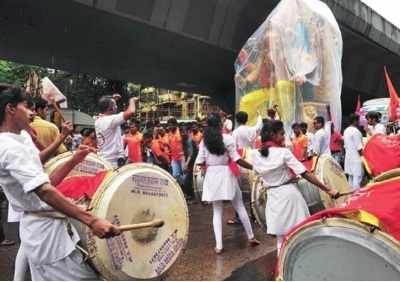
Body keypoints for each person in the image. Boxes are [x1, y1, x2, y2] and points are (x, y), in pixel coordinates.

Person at [0, 84, 120, 280]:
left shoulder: (20, 137)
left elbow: (45, 181)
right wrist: (92, 220)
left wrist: (74, 160)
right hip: (45, 236)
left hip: (51, 228)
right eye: (26, 107)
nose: (31, 113)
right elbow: (45, 191)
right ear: (10, 109)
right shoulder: (7, 147)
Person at [250, 120, 338, 254]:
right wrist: (328, 189)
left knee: (281, 239)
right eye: (281, 134)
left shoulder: (255, 155)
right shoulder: (283, 153)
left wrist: (286, 178)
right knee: (300, 233)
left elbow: (262, 174)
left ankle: (281, 269)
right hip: (290, 197)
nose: (284, 137)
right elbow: (305, 174)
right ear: (272, 135)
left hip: (273, 198)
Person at [195, 114, 260, 254]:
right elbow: (237, 159)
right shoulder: (228, 139)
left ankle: (219, 246)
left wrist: (210, 164)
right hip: (227, 174)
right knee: (240, 206)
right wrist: (253, 167)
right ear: (220, 125)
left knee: (217, 211)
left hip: (212, 176)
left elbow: (199, 162)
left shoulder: (204, 142)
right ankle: (251, 237)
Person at [95, 96, 137, 168]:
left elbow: (104, 104)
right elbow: (131, 111)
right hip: (111, 163)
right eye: (115, 105)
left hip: (103, 160)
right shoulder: (111, 120)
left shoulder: (99, 120)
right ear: (111, 108)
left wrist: (111, 99)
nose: (117, 107)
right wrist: (132, 100)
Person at [343, 114, 364, 190]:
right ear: (355, 121)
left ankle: (351, 197)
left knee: (351, 178)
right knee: (357, 178)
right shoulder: (355, 131)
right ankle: (357, 196)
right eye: (358, 121)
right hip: (356, 158)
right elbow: (359, 147)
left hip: (348, 157)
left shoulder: (346, 130)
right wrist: (364, 158)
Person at [168, 118, 185, 185]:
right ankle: (183, 187)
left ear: (175, 125)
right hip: (174, 158)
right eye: (169, 125)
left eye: (171, 125)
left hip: (182, 158)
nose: (170, 127)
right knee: (175, 175)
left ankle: (186, 190)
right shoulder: (169, 133)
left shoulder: (180, 131)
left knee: (184, 175)